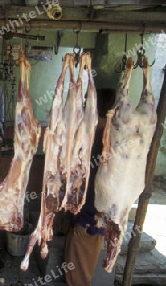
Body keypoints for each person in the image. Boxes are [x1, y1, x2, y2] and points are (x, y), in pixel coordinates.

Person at [64, 88, 115, 286]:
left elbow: (101, 188)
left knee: (79, 277)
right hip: (81, 217)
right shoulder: (94, 137)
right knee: (73, 269)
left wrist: (85, 221)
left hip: (89, 223)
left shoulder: (103, 144)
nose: (84, 107)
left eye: (87, 103)